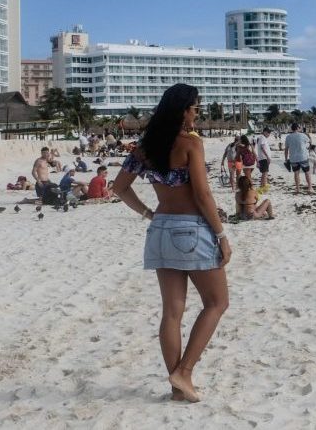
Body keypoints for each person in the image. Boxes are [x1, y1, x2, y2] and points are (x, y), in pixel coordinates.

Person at [112, 83, 231, 404]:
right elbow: (202, 194)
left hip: (161, 229)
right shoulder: (190, 143)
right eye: (195, 109)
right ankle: (185, 372)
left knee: (172, 312)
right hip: (191, 230)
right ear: (183, 110)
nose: (197, 114)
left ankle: (178, 389)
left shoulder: (145, 146)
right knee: (217, 303)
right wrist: (221, 235)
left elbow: (119, 187)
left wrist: (149, 213)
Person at [283, 122, 313, 193]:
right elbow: (310, 142)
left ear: (292, 129)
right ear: (297, 128)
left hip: (293, 158)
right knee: (307, 172)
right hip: (303, 157)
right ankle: (310, 187)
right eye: (299, 127)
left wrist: (286, 159)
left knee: (296, 173)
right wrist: (308, 135)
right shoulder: (302, 135)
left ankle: (297, 188)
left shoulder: (288, 137)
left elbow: (286, 149)